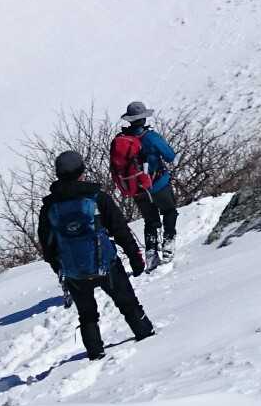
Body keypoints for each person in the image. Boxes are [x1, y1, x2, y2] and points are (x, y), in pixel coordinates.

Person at [39, 150, 155, 360]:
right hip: (106, 264)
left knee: (87, 315)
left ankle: (95, 353)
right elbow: (119, 229)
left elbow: (47, 245)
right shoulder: (96, 197)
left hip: (74, 271)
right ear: (81, 171)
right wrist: (135, 257)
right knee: (128, 303)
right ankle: (146, 336)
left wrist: (60, 267)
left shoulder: (49, 207)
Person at [111, 101, 178, 270]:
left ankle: (151, 254)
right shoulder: (150, 137)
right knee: (169, 211)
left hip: (137, 188)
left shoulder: (122, 140)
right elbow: (170, 156)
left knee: (150, 221)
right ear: (143, 119)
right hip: (158, 184)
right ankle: (168, 245)